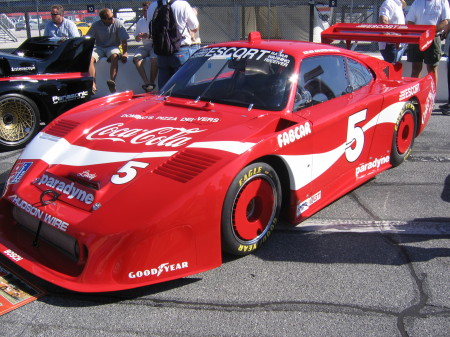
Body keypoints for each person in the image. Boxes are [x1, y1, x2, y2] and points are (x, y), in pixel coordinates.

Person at [147, 0, 199, 89]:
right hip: (181, 49)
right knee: (184, 89)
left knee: (164, 88)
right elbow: (195, 26)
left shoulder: (152, 6)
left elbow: (150, 29)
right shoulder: (182, 5)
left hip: (162, 51)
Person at [405, 0, 450, 84]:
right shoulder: (417, 2)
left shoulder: (443, 2)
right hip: (417, 39)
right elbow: (410, 20)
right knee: (415, 69)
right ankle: (415, 95)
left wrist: (430, 33)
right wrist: (419, 34)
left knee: (432, 69)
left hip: (433, 39)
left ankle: (432, 96)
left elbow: (445, 21)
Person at [86, 8, 130, 94]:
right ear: (103, 20)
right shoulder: (96, 25)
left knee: (115, 56)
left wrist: (125, 52)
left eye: (112, 16)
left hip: (113, 46)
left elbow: (124, 40)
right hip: (99, 47)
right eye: (110, 18)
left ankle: (112, 81)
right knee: (90, 59)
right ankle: (93, 84)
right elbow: (88, 39)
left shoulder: (117, 23)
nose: (112, 19)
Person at [133, 1, 158, 92]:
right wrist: (139, 36)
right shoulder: (141, 21)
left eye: (146, 10)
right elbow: (136, 38)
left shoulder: (156, 20)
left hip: (155, 45)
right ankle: (146, 82)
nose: (144, 12)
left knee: (153, 59)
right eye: (143, 10)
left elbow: (160, 36)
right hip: (145, 46)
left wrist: (148, 36)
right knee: (137, 58)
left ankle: (151, 82)